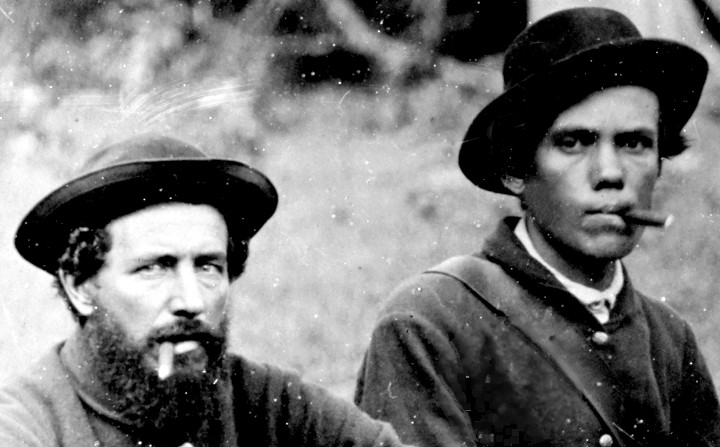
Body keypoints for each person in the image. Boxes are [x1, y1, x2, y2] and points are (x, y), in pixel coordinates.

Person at [355, 7, 720, 447]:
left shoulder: (670, 342)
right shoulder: (432, 323)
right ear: (515, 168)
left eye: (634, 143)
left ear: (659, 164)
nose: (610, 173)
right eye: (573, 142)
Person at [0, 134, 410, 447]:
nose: (192, 302)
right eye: (154, 268)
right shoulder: (25, 426)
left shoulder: (269, 403)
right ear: (79, 286)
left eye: (208, 267)